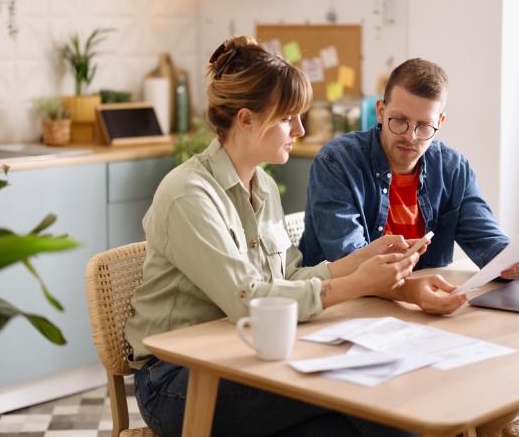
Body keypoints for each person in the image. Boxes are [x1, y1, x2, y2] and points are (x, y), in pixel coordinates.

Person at [126, 36, 441, 437]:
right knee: (366, 398)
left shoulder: (265, 187)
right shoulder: (189, 194)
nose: (300, 129)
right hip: (179, 381)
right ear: (246, 119)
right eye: (288, 117)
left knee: (351, 423)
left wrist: (363, 258)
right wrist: (357, 284)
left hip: (246, 353)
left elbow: (290, 275)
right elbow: (249, 300)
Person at [299, 58, 519, 313]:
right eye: (399, 121)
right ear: (381, 111)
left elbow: (487, 240)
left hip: (419, 309)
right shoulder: (337, 162)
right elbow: (349, 261)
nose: (410, 136)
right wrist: (411, 293)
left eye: (424, 126)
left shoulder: (453, 168)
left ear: (440, 122)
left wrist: (514, 259)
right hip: (339, 309)